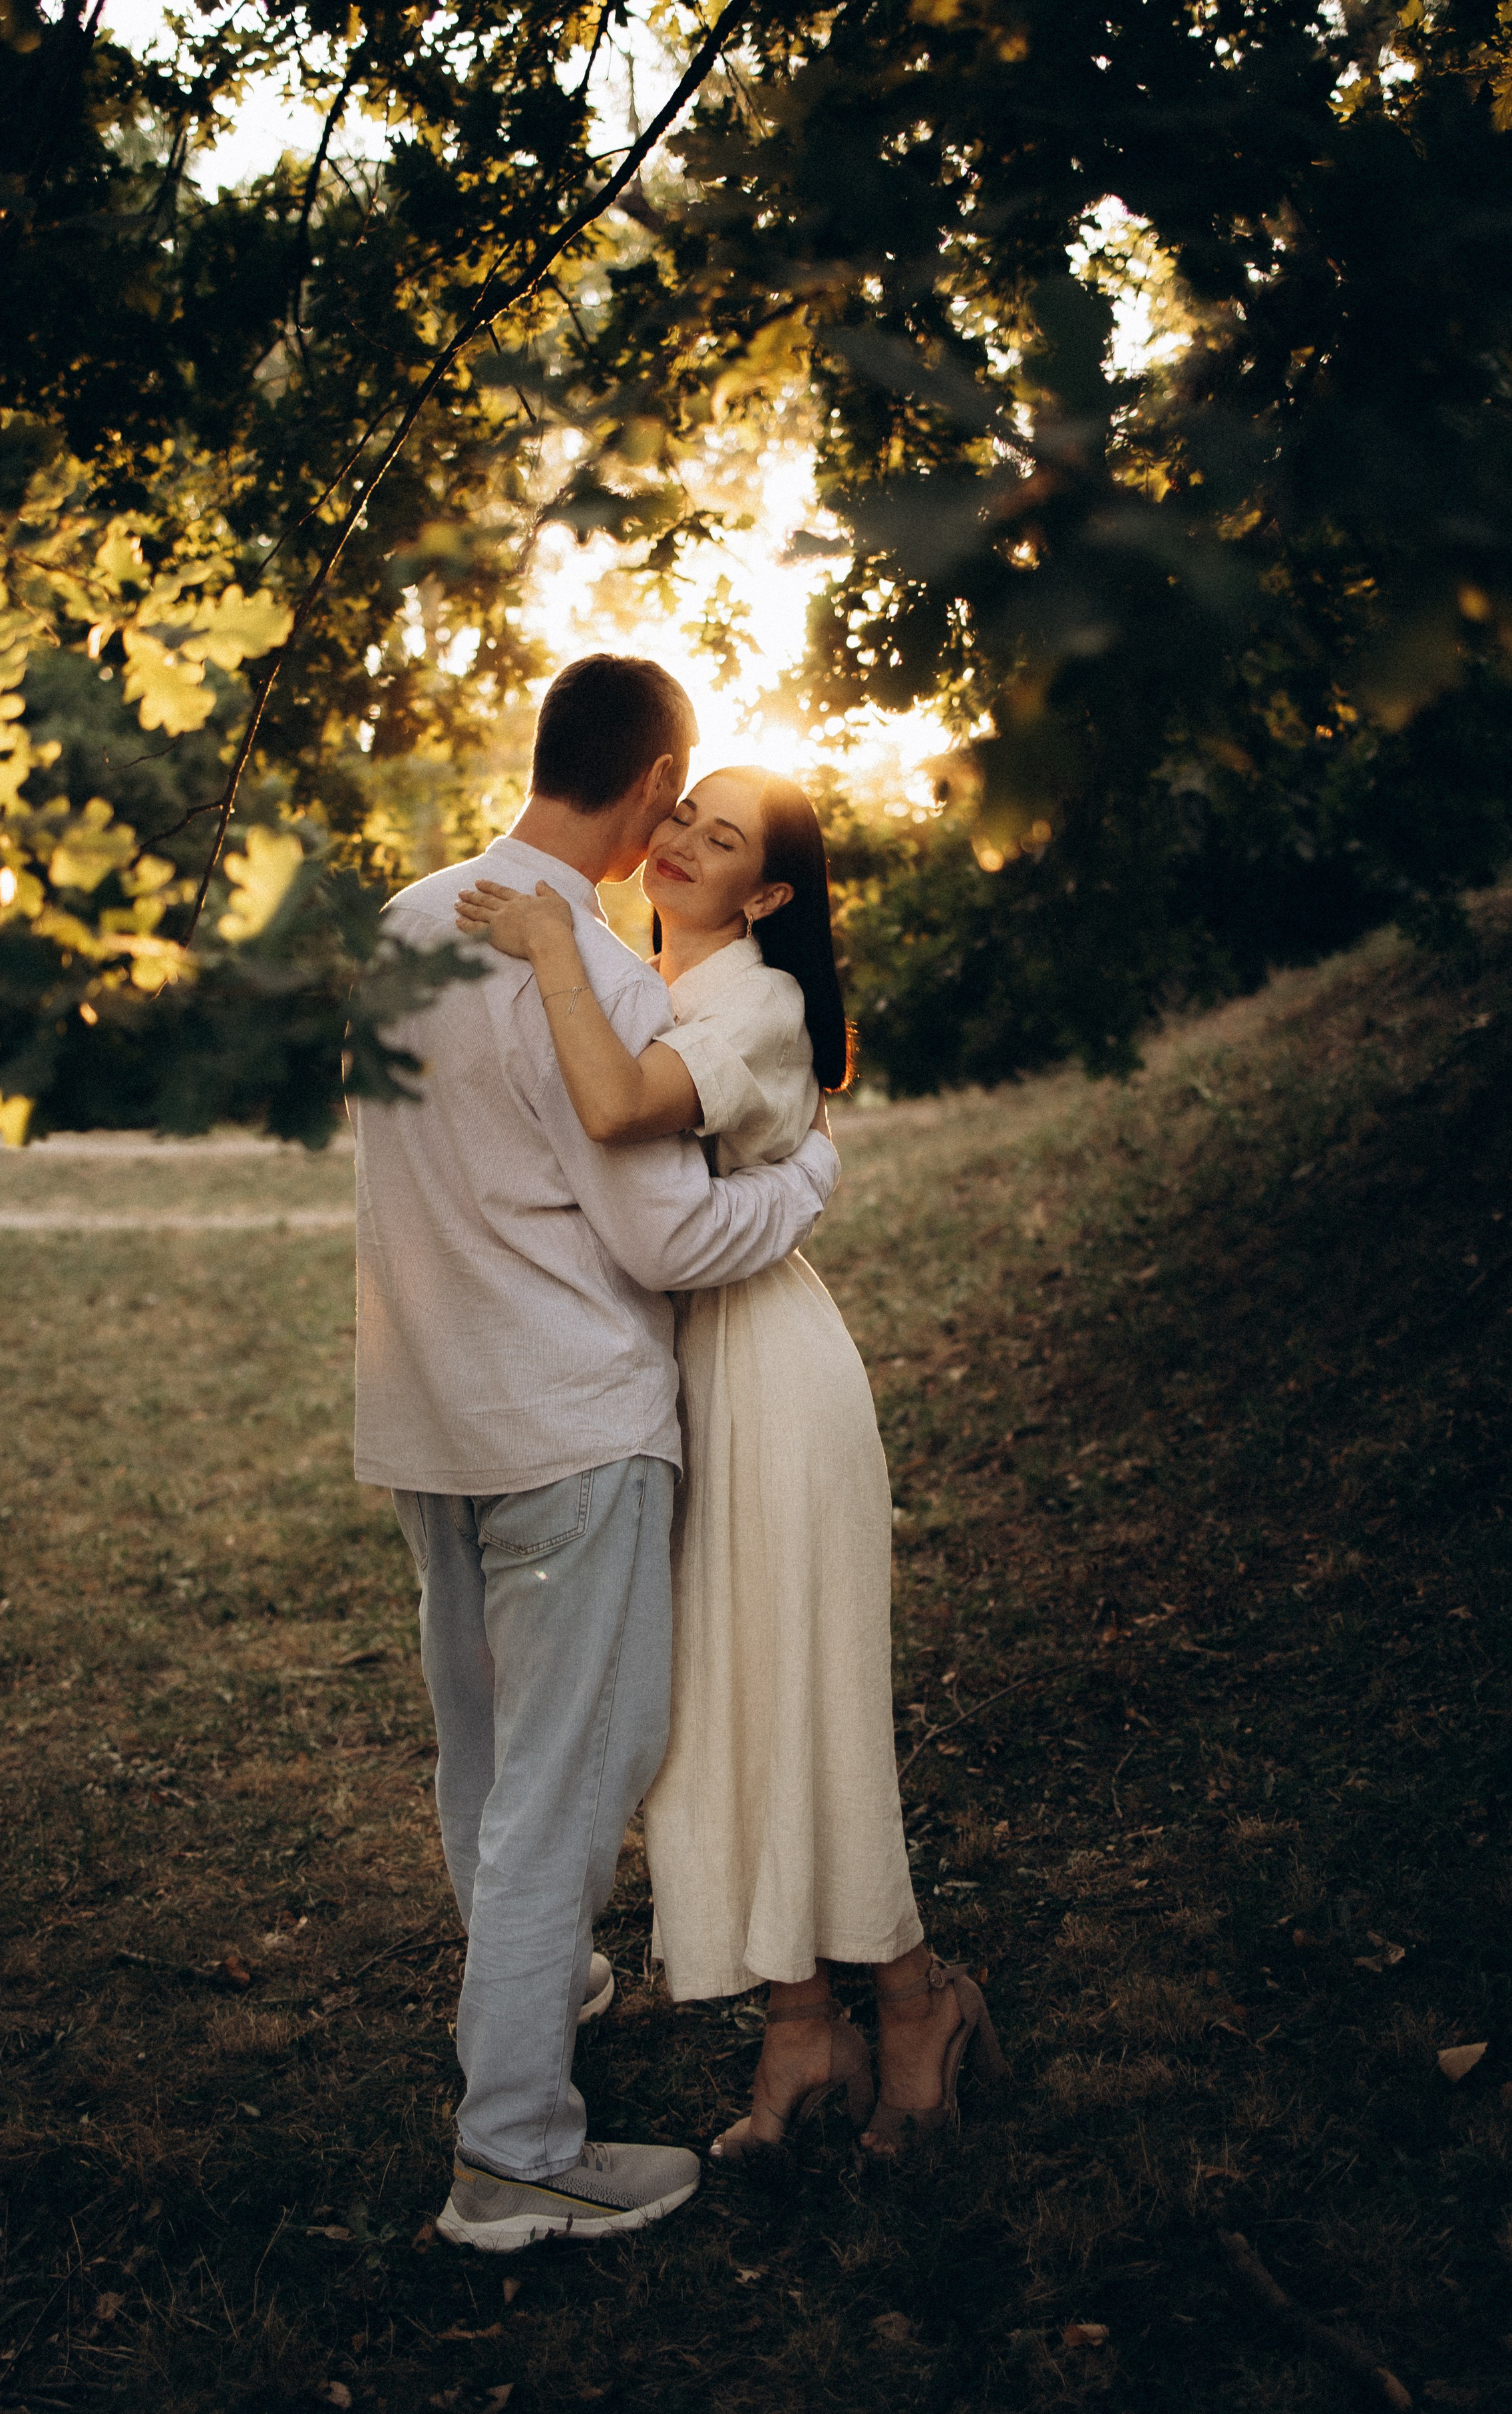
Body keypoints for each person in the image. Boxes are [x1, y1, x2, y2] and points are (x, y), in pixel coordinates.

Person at [352, 659, 843, 2252]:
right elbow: (669, 1238)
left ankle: (540, 1980)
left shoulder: (413, 916)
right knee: (569, 1778)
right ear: (652, 782)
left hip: (430, 1411)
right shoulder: (602, 985)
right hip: (566, 1423)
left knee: (487, 1754)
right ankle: (511, 2152)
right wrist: (811, 1182)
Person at [455, 764, 1006, 2168]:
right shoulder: (662, 977)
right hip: (681, 1374)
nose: (687, 844)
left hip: (771, 1373)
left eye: (724, 840)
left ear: (765, 890)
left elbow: (622, 1107)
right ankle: (799, 2020)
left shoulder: (752, 994)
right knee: (718, 1709)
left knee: (805, 1695)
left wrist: (547, 948)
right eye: (682, 817)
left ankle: (913, 2000)